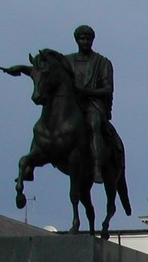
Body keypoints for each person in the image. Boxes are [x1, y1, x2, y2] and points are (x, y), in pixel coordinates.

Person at [7, 25, 113, 184]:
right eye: (82, 38)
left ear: (93, 40)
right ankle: (30, 167)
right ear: (76, 40)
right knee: (42, 125)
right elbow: (43, 71)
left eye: (88, 39)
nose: (85, 41)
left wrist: (85, 91)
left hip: (91, 103)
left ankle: (97, 168)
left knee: (94, 123)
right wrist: (21, 68)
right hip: (70, 103)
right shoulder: (67, 60)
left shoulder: (102, 62)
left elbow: (107, 89)